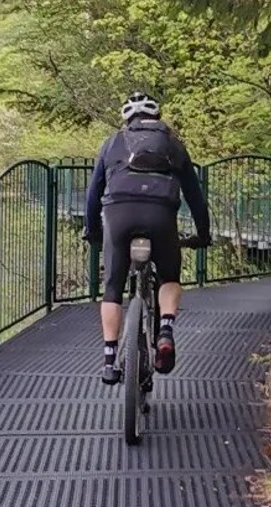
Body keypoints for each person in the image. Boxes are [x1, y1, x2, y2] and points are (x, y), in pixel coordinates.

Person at [82, 91, 212, 385]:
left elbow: (93, 194)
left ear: (127, 119)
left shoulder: (111, 143)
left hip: (119, 213)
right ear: (157, 118)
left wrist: (92, 231)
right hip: (160, 214)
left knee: (113, 288)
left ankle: (109, 360)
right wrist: (203, 234)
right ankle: (165, 329)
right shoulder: (173, 144)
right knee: (169, 278)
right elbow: (194, 195)